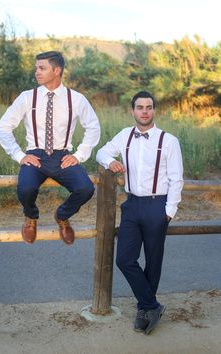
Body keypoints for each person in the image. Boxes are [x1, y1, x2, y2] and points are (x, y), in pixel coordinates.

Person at [96, 91, 183, 334]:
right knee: (125, 259)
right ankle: (151, 305)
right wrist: (109, 162)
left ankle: (144, 310)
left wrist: (169, 210)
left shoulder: (169, 140)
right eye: (140, 107)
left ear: (154, 110)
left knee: (153, 262)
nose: (144, 111)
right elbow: (101, 152)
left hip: (158, 206)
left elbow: (176, 178)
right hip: (132, 205)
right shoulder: (125, 135)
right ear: (132, 111)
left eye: (149, 107)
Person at [0, 51, 100, 245]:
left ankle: (62, 216)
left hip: (62, 156)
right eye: (36, 68)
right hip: (35, 156)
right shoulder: (27, 97)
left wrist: (79, 155)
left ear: (57, 70)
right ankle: (31, 217)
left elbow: (93, 127)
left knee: (86, 188)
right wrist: (19, 155)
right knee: (25, 188)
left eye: (42, 68)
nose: (37, 72)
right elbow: (3, 127)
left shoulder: (76, 99)